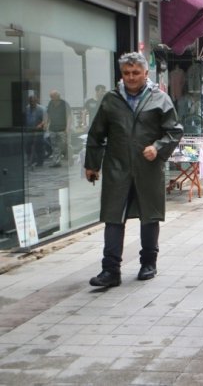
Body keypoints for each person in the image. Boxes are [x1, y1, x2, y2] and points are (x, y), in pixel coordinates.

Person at [85, 52, 183, 287]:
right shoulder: (111, 100)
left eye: (135, 73)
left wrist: (158, 148)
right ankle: (110, 271)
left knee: (149, 216)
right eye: (126, 73)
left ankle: (148, 263)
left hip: (148, 167)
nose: (130, 77)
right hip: (116, 167)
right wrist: (92, 164)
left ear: (145, 73)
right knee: (113, 217)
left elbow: (174, 131)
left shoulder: (160, 99)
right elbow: (97, 134)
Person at [46, 90, 72, 167]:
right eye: (51, 96)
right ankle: (56, 162)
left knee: (65, 144)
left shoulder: (64, 104)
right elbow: (48, 114)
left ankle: (70, 158)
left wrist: (67, 127)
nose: (52, 98)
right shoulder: (50, 103)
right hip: (53, 128)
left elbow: (69, 116)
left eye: (53, 96)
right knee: (54, 146)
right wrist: (46, 124)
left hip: (62, 129)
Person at [24, 94, 46, 168]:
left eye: (33, 101)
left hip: (38, 130)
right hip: (29, 130)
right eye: (30, 101)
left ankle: (40, 162)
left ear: (36, 101)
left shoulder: (41, 109)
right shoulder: (27, 108)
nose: (32, 103)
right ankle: (31, 161)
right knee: (28, 146)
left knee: (39, 146)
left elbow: (45, 120)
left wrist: (40, 125)